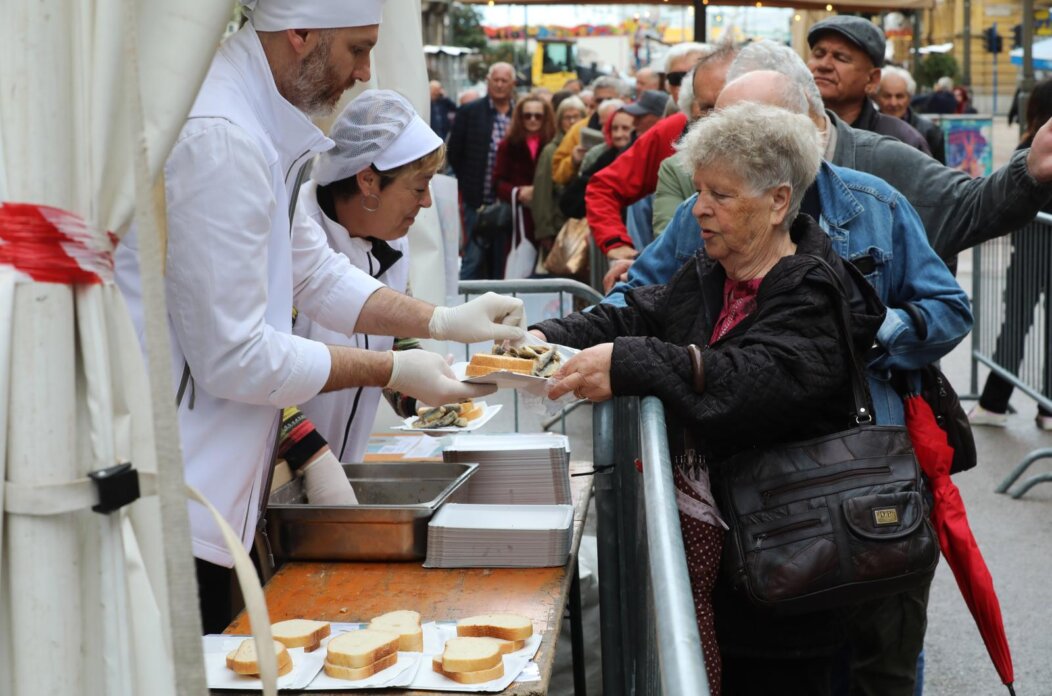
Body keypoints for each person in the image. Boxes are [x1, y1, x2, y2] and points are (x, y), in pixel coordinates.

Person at [113, 0, 526, 634]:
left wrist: (445, 321)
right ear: (300, 34)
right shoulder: (222, 134)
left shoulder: (258, 119)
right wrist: (391, 366)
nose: (364, 73)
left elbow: (315, 272)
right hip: (174, 491)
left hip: (212, 491)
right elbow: (237, 358)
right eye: (358, 49)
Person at [533, 102, 888, 694]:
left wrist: (632, 364)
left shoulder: (812, 290)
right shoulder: (713, 270)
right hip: (734, 569)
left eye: (720, 195)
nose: (699, 209)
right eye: (699, 191)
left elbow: (753, 380)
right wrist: (537, 336)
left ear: (778, 201)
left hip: (788, 577)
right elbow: (640, 312)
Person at [290, 90, 446, 465]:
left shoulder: (394, 242)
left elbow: (394, 341)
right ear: (369, 182)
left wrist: (424, 398)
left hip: (344, 463)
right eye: (419, 187)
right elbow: (265, 368)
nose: (426, 202)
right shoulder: (295, 232)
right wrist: (311, 459)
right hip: (278, 471)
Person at [586, 43, 729, 261]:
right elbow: (603, 188)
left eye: (694, 73)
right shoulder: (669, 131)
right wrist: (617, 245)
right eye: (675, 78)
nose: (685, 83)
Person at [970, 76, 1052, 431]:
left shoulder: (1033, 145)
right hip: (1035, 242)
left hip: (1031, 246)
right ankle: (1048, 408)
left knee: (1015, 322)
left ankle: (994, 402)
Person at [806, 16, 931, 155]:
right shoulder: (786, 129)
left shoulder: (902, 141)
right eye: (818, 54)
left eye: (840, 58)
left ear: (872, 80)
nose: (824, 65)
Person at [447, 62, 516, 280]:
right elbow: (454, 153)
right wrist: (468, 185)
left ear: (513, 84)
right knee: (473, 258)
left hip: (507, 203)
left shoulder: (519, 114)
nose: (499, 85)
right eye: (495, 79)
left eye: (504, 80)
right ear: (487, 81)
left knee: (501, 262)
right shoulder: (470, 112)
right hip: (476, 201)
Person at [486, 95, 556, 279]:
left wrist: (540, 191)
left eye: (538, 116)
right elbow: (497, 183)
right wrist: (518, 193)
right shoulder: (508, 145)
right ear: (520, 117)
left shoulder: (553, 144)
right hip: (518, 221)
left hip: (548, 218)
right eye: (528, 115)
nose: (532, 120)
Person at [532, 96, 587, 256]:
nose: (571, 122)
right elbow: (542, 194)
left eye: (576, 117)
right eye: (567, 117)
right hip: (559, 225)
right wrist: (545, 231)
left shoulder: (591, 147)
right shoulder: (551, 150)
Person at [560, 106, 635, 221]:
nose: (618, 135)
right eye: (614, 129)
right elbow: (569, 202)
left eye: (625, 128)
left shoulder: (642, 161)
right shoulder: (603, 159)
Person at [550, 77, 625, 185]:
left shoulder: (632, 125)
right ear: (593, 101)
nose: (604, 104)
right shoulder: (578, 129)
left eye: (609, 99)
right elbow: (557, 173)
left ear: (620, 99)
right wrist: (573, 161)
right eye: (599, 100)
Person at [877, 65, 946, 163]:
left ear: (909, 98)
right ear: (877, 97)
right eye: (887, 96)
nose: (893, 103)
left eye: (899, 96)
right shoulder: (865, 127)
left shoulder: (930, 131)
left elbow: (940, 173)